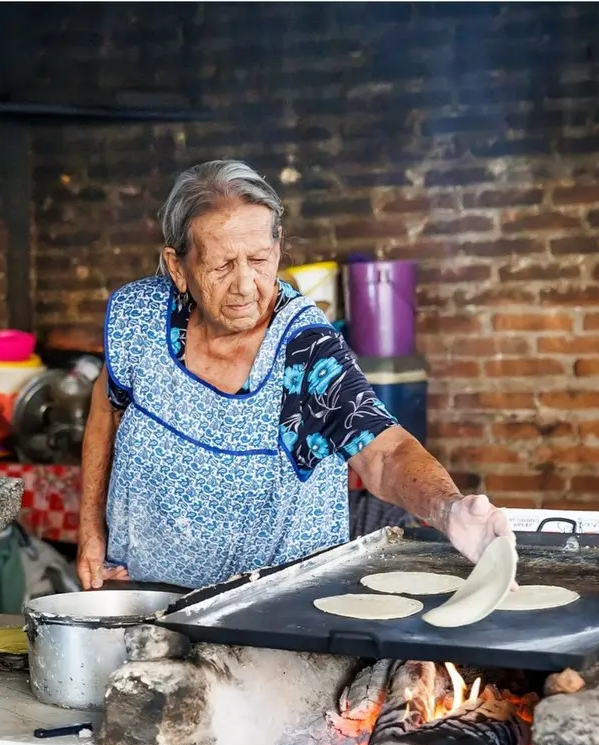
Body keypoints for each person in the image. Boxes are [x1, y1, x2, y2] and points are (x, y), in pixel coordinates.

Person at [78, 160, 514, 591]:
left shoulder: (306, 353)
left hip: (266, 614)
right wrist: (91, 531)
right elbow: (105, 408)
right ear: (178, 267)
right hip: (140, 591)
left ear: (278, 245)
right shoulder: (142, 317)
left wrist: (449, 508)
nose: (246, 284)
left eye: (259, 259)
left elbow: (384, 453)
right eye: (222, 266)